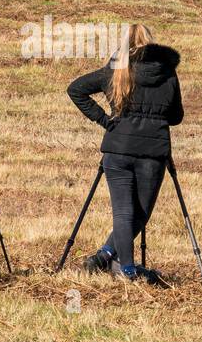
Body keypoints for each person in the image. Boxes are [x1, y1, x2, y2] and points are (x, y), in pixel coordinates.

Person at [67, 25, 182, 280]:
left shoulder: (116, 70)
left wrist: (105, 120)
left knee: (123, 211)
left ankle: (107, 256)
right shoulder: (167, 73)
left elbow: (76, 89)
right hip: (153, 152)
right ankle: (125, 268)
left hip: (117, 149)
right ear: (152, 44)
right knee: (141, 213)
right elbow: (176, 116)